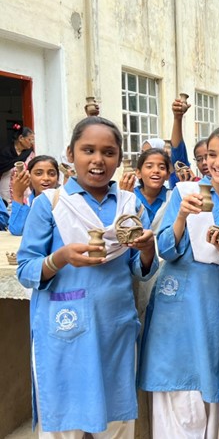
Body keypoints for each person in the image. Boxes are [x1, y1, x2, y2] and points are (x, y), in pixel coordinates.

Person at [17, 116, 157, 437]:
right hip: (64, 332)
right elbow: (26, 269)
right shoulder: (50, 205)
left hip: (114, 330)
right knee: (65, 423)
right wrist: (60, 258)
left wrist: (148, 249)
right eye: (88, 150)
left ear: (119, 159)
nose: (98, 160)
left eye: (108, 152)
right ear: (70, 154)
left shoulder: (130, 206)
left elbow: (140, 268)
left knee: (115, 423)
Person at [138, 126, 219, 439]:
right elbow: (165, 249)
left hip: (215, 306)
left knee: (208, 386)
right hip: (176, 308)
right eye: (212, 155)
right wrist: (181, 217)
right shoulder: (184, 192)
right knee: (175, 388)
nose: (218, 162)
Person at [8, 155, 59, 236]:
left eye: (52, 174)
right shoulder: (28, 203)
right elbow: (17, 230)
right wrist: (18, 194)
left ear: (57, 178)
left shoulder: (62, 201)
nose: (46, 178)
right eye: (39, 173)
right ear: (29, 177)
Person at [132, 148, 171, 230]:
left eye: (162, 167)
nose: (156, 171)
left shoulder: (172, 198)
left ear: (168, 175)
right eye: (149, 166)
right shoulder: (131, 196)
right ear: (138, 173)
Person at [0, 123, 35, 204]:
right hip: (6, 188)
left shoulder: (29, 153)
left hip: (24, 188)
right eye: (30, 139)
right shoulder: (5, 152)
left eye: (33, 140)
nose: (32, 142)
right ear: (21, 138)